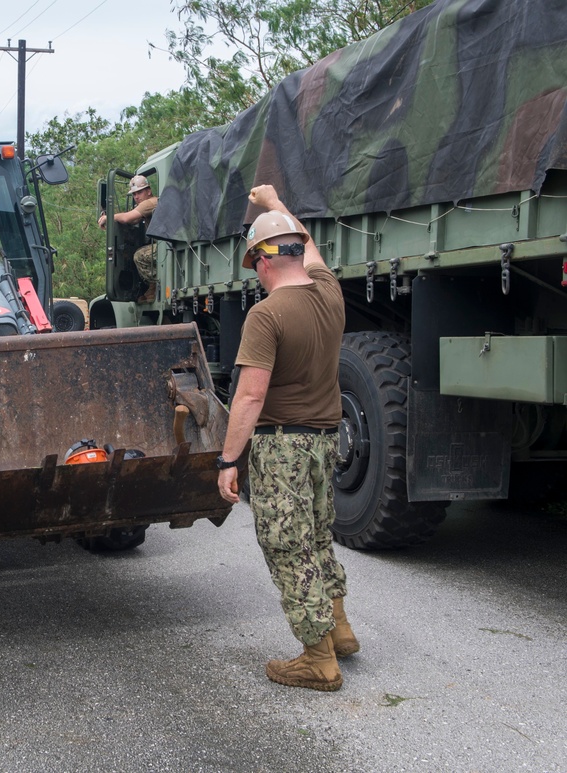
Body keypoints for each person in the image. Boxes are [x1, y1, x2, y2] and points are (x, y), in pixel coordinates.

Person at [216, 184, 359, 692]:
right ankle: (339, 630)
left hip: (283, 447)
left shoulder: (267, 315)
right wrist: (276, 205)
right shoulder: (329, 292)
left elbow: (250, 398)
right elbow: (311, 245)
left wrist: (227, 459)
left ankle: (318, 659)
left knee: (286, 544)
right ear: (297, 250)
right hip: (324, 441)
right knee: (318, 535)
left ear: (261, 262)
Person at [98, 174, 158, 302]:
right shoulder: (149, 204)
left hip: (165, 248)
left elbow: (127, 218)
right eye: (134, 194)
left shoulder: (149, 203)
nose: (136, 197)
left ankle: (156, 286)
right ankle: (152, 288)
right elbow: (132, 221)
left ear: (148, 191)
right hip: (164, 248)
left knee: (140, 255)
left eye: (139, 192)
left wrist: (107, 218)